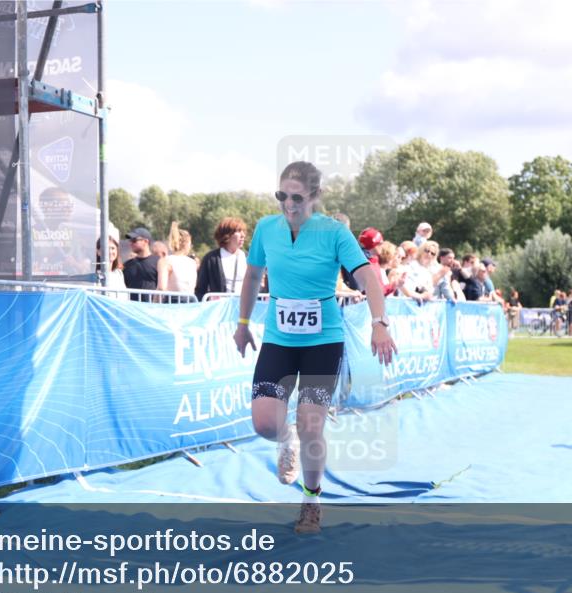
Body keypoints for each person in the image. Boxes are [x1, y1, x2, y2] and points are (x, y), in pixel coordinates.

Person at [233, 161, 396, 534]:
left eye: (297, 198)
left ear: (315, 197)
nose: (288, 205)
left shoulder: (335, 232)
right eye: (282, 196)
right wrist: (242, 324)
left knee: (311, 423)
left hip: (323, 341)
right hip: (279, 338)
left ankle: (311, 501)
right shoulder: (265, 229)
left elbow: (367, 275)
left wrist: (379, 323)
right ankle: (284, 438)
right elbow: (254, 275)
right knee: (263, 423)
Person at [195, 216, 248, 300]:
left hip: (242, 309)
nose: (243, 235)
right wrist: (210, 300)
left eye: (243, 231)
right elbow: (200, 290)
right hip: (220, 310)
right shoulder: (211, 259)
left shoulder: (248, 258)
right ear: (227, 235)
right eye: (238, 231)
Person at [157, 221, 197, 295]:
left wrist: (154, 304)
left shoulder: (165, 261)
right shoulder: (193, 263)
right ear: (187, 244)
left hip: (172, 303)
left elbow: (161, 288)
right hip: (191, 302)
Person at [122, 227, 158, 300]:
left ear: (145, 241)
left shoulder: (158, 262)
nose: (131, 243)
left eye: (134, 240)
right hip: (132, 308)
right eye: (130, 240)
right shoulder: (127, 265)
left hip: (152, 308)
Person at [96, 231, 128, 301]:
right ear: (98, 252)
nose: (110, 252)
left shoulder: (119, 273)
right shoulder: (95, 275)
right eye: (106, 248)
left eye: (113, 248)